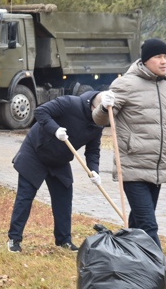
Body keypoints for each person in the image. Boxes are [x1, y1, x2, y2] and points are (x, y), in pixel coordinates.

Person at [92, 38, 166, 289]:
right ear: (145, 60)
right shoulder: (125, 84)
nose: (164, 61)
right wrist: (103, 104)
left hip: (157, 168)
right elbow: (100, 119)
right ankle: (162, 277)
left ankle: (127, 267)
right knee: (149, 224)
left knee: (137, 226)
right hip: (131, 166)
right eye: (158, 57)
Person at [6, 90, 104, 253]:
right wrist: (55, 129)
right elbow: (40, 111)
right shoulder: (70, 103)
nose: (102, 122)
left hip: (59, 160)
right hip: (35, 152)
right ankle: (14, 238)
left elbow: (93, 150)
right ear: (94, 107)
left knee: (64, 198)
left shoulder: (97, 123)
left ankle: (64, 240)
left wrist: (94, 171)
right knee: (25, 196)